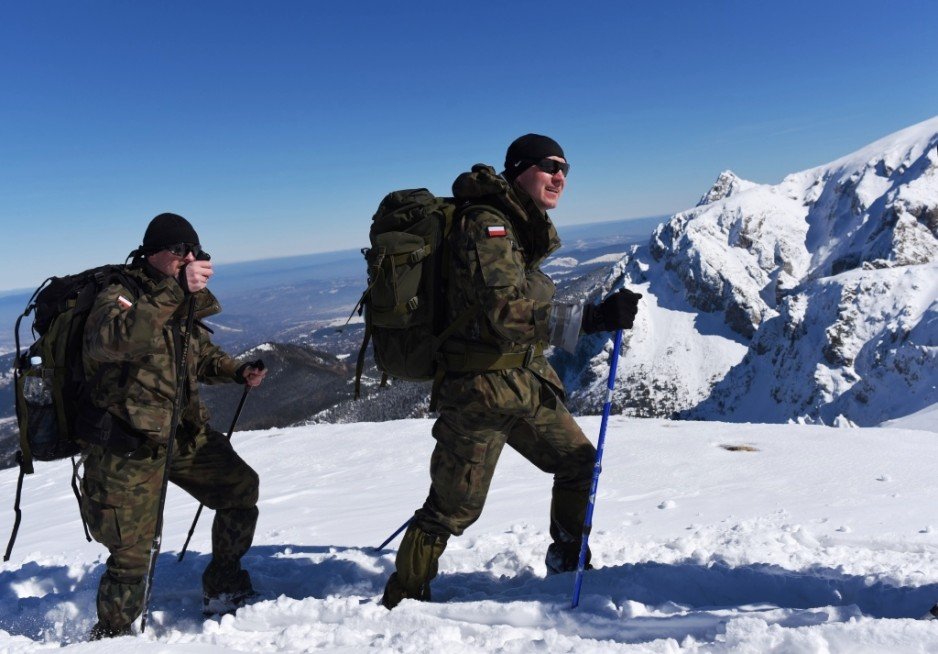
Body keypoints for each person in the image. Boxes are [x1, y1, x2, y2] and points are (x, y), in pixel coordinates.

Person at [381, 134, 642, 608]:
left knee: (577, 461)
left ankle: (567, 564)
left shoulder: (518, 225)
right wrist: (594, 318)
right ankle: (403, 600)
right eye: (549, 165)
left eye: (566, 167)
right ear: (520, 168)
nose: (560, 176)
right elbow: (506, 314)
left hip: (521, 384)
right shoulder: (487, 226)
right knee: (452, 509)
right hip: (480, 392)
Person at [78, 212, 267, 638]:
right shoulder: (120, 294)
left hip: (181, 435)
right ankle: (111, 637)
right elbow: (113, 341)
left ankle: (224, 587)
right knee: (131, 553)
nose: (189, 258)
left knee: (240, 488)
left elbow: (197, 354)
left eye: (194, 251)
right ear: (154, 253)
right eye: (180, 251)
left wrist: (237, 371)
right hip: (129, 443)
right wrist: (174, 291)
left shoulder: (176, 298)